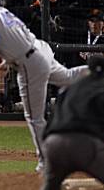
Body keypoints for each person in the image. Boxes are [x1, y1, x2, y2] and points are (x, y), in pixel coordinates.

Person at [0, 0, 88, 172]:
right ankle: (98, 70)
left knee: (34, 117)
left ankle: (47, 161)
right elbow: (15, 37)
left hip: (30, 62)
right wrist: (7, 62)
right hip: (39, 49)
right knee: (69, 77)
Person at [41, 55, 104, 190]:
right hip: (85, 143)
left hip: (53, 144)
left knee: (51, 186)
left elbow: (53, 116)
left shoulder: (71, 86)